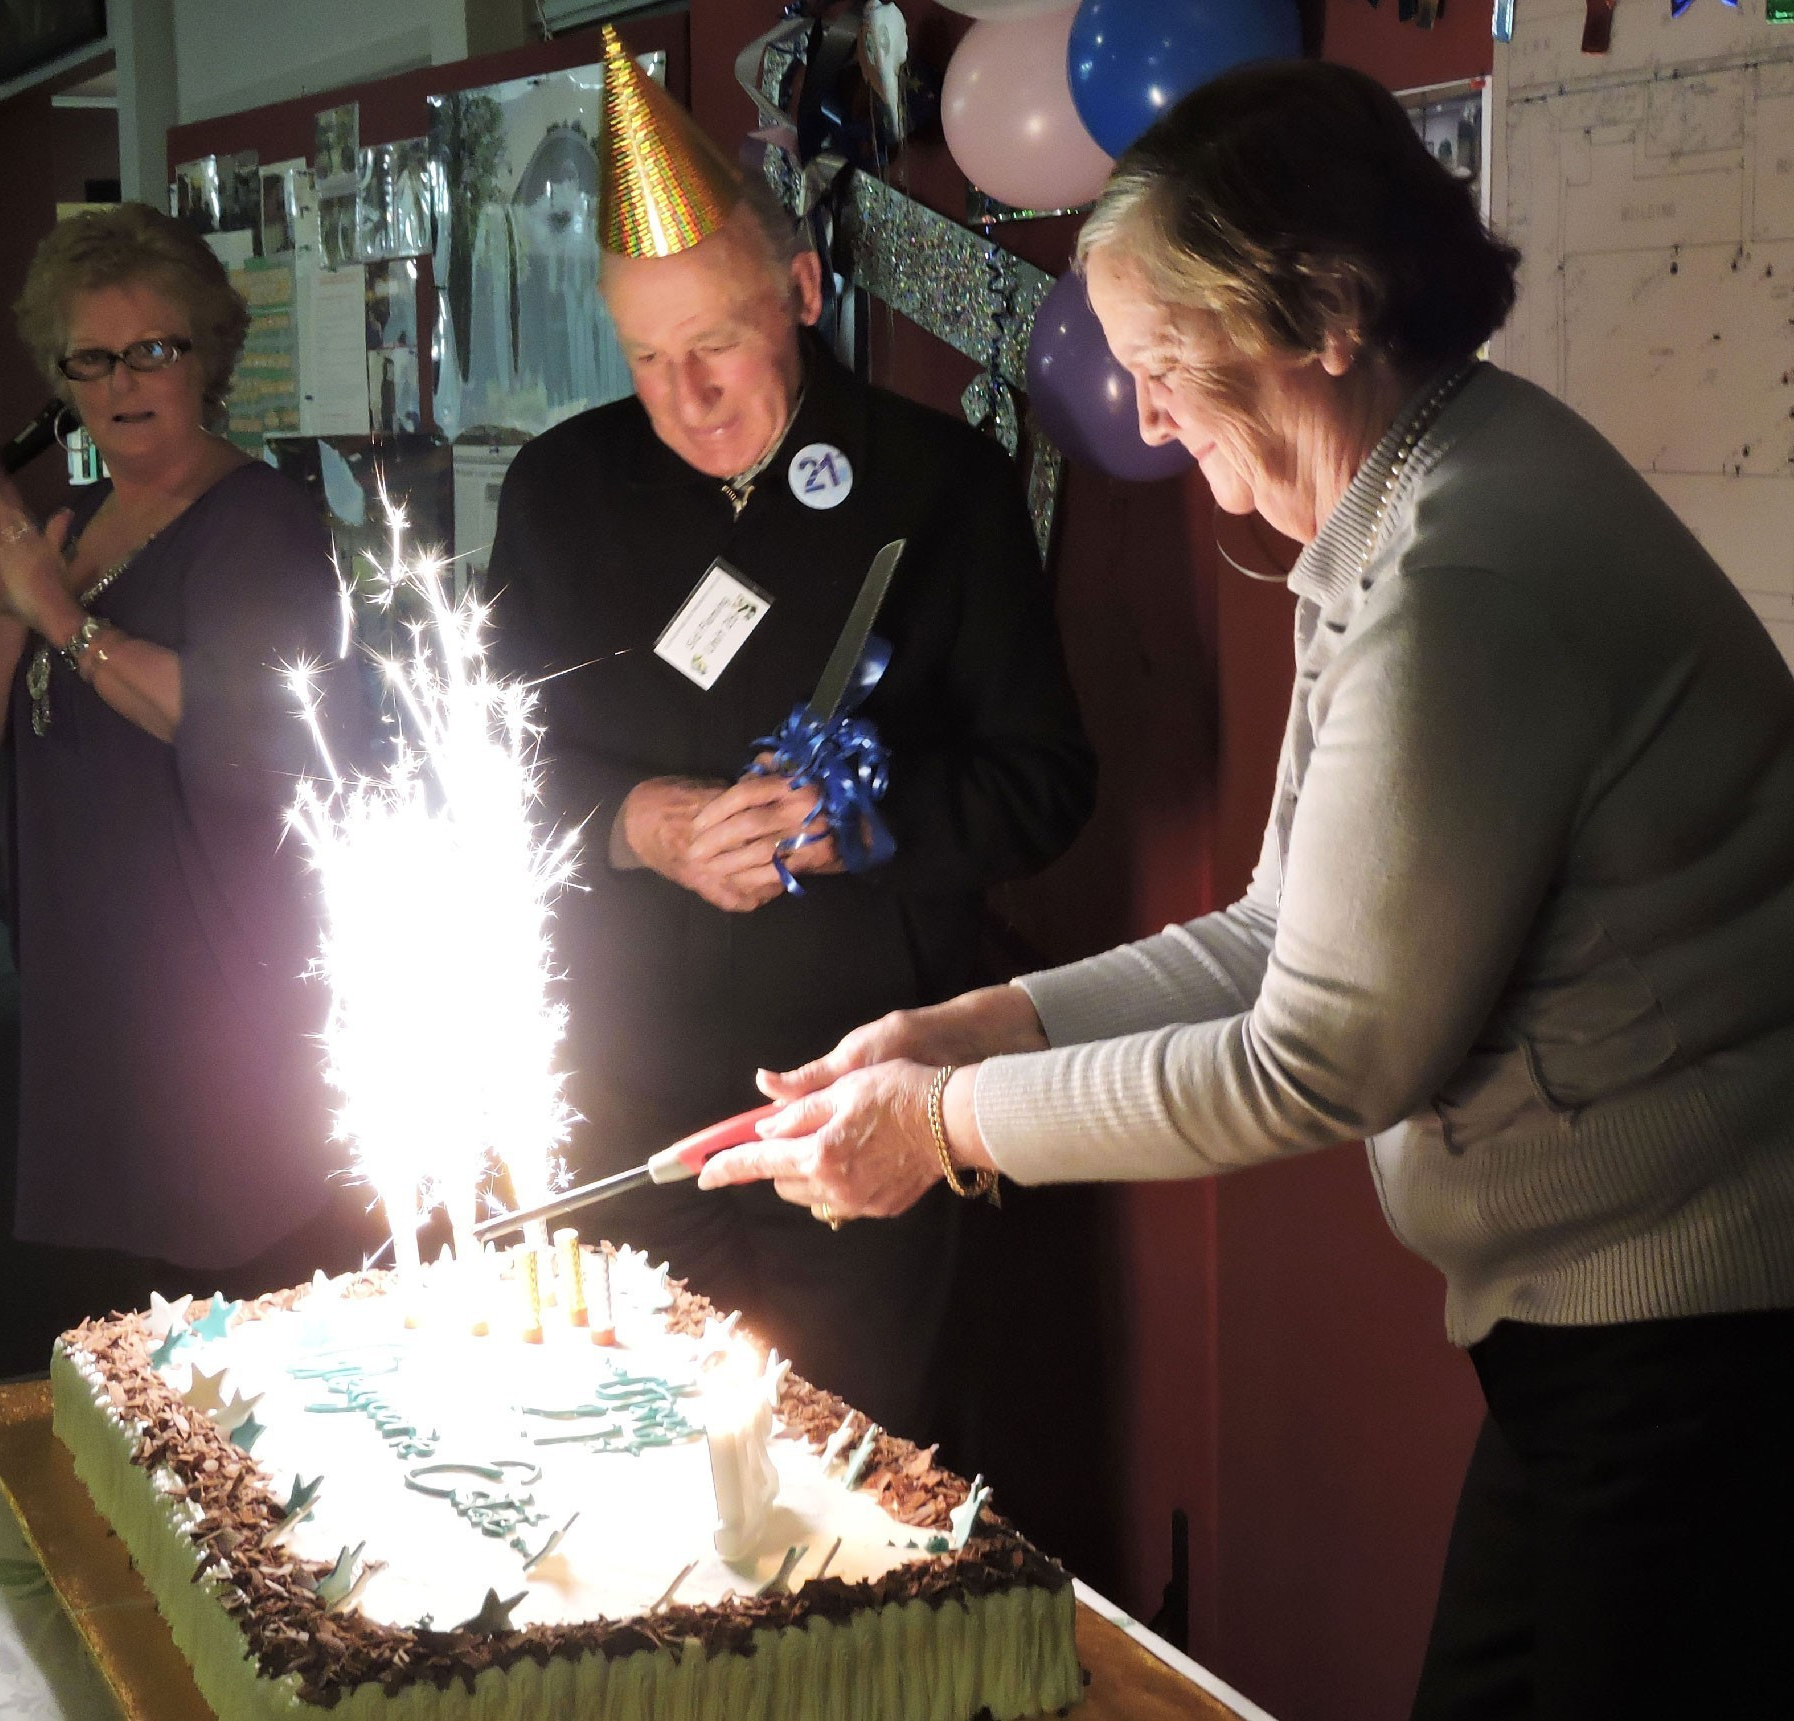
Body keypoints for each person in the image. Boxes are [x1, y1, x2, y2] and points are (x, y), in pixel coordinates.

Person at [702, 60, 1794, 1720]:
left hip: (1695, 1336)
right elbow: (1280, 930)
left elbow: (1321, 1059)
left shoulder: (1462, 575)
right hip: (1625, 1326)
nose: (1138, 416)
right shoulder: (1403, 498)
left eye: (1159, 362)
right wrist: (979, 1021)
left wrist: (946, 1126)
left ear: (1326, 313)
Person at [488, 30, 1094, 1439]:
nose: (685, 400)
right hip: (616, 1084)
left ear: (804, 293)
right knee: (619, 1458)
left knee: (841, 1482)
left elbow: (1046, 785)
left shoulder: (941, 485)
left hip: (860, 1100)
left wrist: (864, 824)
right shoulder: (560, 489)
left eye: (717, 346)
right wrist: (640, 823)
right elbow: (489, 768)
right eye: (647, 359)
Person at [0, 204, 374, 1325]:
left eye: (152, 350)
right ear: (61, 377)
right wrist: (4, 610)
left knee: (223, 1312)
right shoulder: (70, 522)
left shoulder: (264, 523)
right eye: (92, 357)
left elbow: (249, 724)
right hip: (89, 983)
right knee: (105, 1324)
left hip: (218, 984)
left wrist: (53, 610)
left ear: (203, 354)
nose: (123, 381)